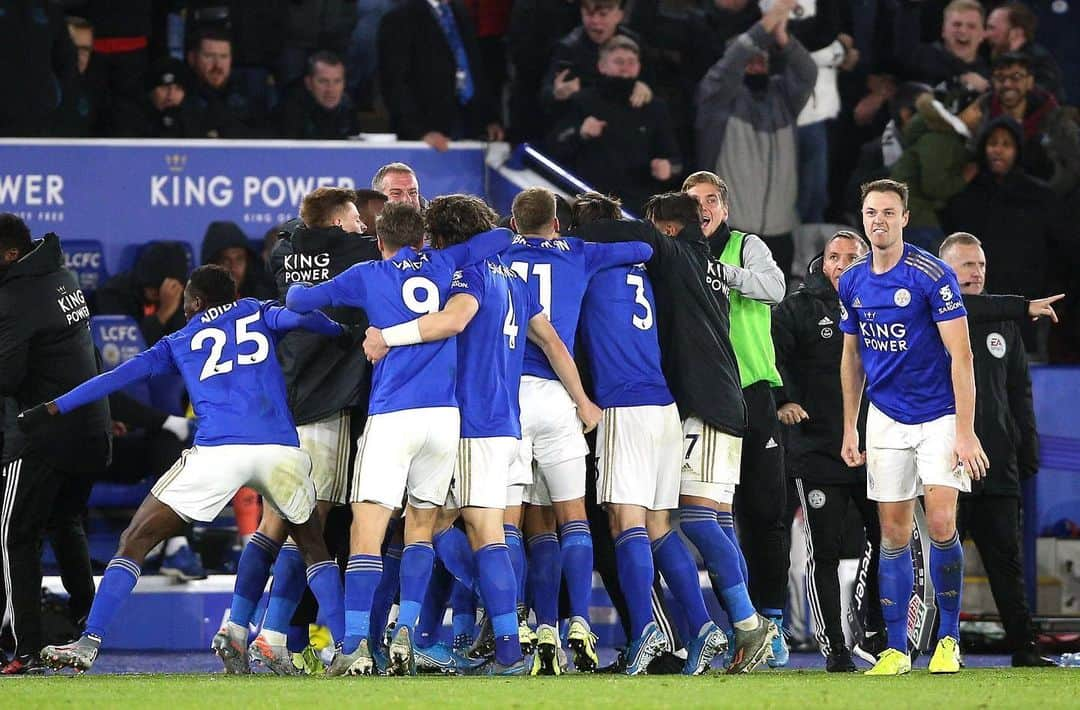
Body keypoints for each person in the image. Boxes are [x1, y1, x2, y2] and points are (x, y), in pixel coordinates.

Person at [26, 265, 347, 674]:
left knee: (136, 538)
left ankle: (89, 642)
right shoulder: (258, 311)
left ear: (195, 302)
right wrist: (340, 331)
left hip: (218, 452)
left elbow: (114, 378)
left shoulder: (179, 340)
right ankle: (347, 646)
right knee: (313, 548)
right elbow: (302, 318)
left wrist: (54, 407)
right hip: (279, 450)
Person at [363, 194, 601, 675]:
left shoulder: (465, 276)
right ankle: (509, 646)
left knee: (422, 523)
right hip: (504, 424)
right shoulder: (512, 278)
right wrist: (581, 401)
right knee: (487, 529)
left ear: (447, 237)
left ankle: (403, 636)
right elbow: (552, 342)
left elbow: (455, 320)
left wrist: (386, 337)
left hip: (463, 419)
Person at [285, 204, 514, 676]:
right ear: (421, 237)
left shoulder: (367, 272)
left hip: (394, 414)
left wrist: (296, 278)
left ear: (380, 240)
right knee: (420, 528)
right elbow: (500, 239)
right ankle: (407, 631)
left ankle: (354, 646)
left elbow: (298, 302)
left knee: (365, 530)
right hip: (444, 419)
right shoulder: (444, 263)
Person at [573, 192, 778, 674]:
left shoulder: (655, 254)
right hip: (681, 406)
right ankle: (709, 632)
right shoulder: (693, 261)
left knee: (674, 523)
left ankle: (744, 625)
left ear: (664, 229)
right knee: (671, 525)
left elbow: (636, 237)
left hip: (696, 405)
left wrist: (562, 238)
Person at [839, 178, 989, 676]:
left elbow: (962, 356)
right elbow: (852, 358)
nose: (878, 220)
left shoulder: (932, 274)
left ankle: (948, 640)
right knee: (892, 534)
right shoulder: (853, 280)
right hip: (885, 417)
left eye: (888, 212)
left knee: (943, 523)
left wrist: (965, 431)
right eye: (869, 212)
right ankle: (898, 650)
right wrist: (849, 427)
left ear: (904, 217)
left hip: (939, 414)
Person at [499, 187, 651, 675]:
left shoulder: (498, 253)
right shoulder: (581, 252)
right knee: (573, 518)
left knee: (516, 523)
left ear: (515, 222)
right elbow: (644, 247)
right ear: (558, 224)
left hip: (505, 399)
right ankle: (579, 620)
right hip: (560, 397)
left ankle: (531, 623)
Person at [243, 187, 378, 674]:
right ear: (341, 223)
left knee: (275, 521)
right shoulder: (357, 251)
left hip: (288, 396)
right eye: (357, 220)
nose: (365, 227)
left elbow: (304, 237)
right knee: (310, 525)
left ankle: (237, 626)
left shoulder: (284, 249)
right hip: (327, 401)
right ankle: (273, 633)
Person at [682, 171, 790, 665]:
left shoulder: (746, 246)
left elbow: (775, 289)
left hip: (752, 393)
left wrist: (725, 275)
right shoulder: (677, 251)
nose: (701, 208)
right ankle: (741, 623)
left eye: (709, 201)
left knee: (765, 514)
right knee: (713, 514)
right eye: (692, 201)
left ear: (724, 207)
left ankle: (773, 620)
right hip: (704, 398)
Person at [938, 232, 1056, 668]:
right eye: (967, 265)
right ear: (944, 270)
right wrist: (1023, 305)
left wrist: (1027, 444)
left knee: (1007, 561)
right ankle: (937, 645)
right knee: (941, 558)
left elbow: (1018, 390)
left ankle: (1025, 647)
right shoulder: (932, 314)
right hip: (946, 462)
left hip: (997, 461)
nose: (977, 273)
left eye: (981, 266)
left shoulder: (1004, 324)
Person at [0, 217, 111, 674]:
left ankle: (22, 648)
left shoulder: (16, 296)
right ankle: (89, 629)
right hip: (91, 429)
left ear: (8, 254)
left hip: (44, 434)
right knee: (65, 522)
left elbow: (7, 376)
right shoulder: (60, 276)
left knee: (14, 535)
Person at [772, 231, 885, 672]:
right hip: (818, 449)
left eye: (850, 257)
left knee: (885, 542)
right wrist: (785, 399)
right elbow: (774, 357)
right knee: (824, 549)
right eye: (834, 257)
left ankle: (873, 630)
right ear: (822, 261)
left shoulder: (881, 305)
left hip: (875, 448)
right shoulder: (797, 308)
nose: (840, 264)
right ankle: (835, 647)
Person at [693, 0, 817, 278]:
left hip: (780, 231)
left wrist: (782, 34)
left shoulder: (782, 98)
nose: (757, 59)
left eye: (763, 55)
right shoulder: (717, 100)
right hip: (731, 229)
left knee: (772, 316)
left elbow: (807, 72)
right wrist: (767, 22)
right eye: (750, 56)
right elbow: (732, 62)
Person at [942, 115, 1072, 355]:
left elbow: (1060, 250)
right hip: (978, 307)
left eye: (1006, 144)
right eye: (993, 143)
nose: (998, 150)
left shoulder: (1040, 196)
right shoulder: (967, 197)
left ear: (1018, 150)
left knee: (1027, 374)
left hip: (1029, 305)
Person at [545, 36, 680, 214]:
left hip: (636, 209)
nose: (626, 67)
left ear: (639, 66)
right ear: (602, 66)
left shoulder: (655, 108)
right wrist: (580, 132)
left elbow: (675, 160)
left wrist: (668, 168)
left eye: (631, 62)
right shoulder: (582, 101)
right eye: (619, 61)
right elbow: (554, 146)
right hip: (588, 205)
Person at [376, 0, 504, 151]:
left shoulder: (461, 12)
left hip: (470, 128)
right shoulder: (400, 18)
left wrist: (489, 118)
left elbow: (474, 69)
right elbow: (394, 84)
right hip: (428, 137)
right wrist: (420, 132)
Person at [888, 85, 983, 253]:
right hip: (916, 218)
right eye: (975, 108)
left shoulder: (945, 137)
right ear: (958, 111)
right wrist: (964, 178)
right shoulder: (940, 140)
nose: (979, 114)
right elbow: (933, 186)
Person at [973, 52, 1080, 198]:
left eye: (1016, 77)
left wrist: (1048, 175)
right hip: (989, 200)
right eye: (1000, 78)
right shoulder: (980, 112)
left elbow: (1075, 168)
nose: (1007, 84)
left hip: (1042, 204)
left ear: (1030, 82)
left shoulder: (1056, 120)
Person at [542, 0, 654, 120]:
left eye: (603, 14)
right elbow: (545, 95)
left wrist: (644, 87)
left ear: (618, 16)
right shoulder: (568, 48)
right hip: (582, 120)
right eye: (589, 14)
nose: (595, 21)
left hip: (625, 117)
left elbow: (653, 83)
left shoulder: (634, 42)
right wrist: (556, 94)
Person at [96, 241, 190, 346]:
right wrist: (162, 315)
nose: (154, 290)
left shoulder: (186, 298)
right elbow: (125, 348)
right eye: (150, 284)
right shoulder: (114, 294)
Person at [894, 0, 990, 91]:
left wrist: (986, 91)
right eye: (957, 24)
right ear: (943, 31)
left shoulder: (990, 75)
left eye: (971, 26)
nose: (963, 31)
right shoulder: (919, 58)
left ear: (982, 35)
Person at [186, 27, 264, 138]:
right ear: (192, 58)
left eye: (224, 57)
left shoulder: (247, 99)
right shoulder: (179, 96)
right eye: (209, 56)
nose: (217, 65)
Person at [111, 56, 208, 139]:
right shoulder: (131, 119)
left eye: (178, 88)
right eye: (164, 87)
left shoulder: (194, 119)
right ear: (151, 91)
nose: (171, 95)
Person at [984, 2, 1063, 102]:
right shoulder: (992, 55)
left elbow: (1035, 98)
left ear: (1016, 33)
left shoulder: (1039, 60)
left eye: (992, 28)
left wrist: (986, 87)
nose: (985, 34)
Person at [275, 51, 360, 140]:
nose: (330, 89)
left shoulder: (347, 107)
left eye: (337, 81)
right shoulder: (291, 110)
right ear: (308, 83)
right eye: (323, 81)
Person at [201, 220, 275, 300]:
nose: (233, 268)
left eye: (239, 259)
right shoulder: (197, 305)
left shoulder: (262, 302)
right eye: (225, 261)